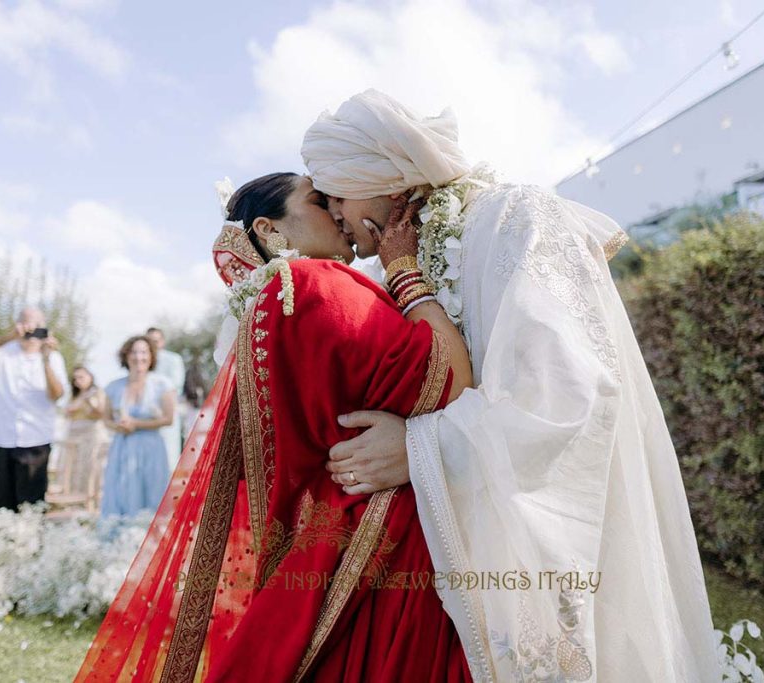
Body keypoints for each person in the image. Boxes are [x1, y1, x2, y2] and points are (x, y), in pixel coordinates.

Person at [302, 90, 722, 681]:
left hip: (540, 546)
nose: (333, 213)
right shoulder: (395, 264)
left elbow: (565, 396)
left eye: (336, 194)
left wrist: (418, 448)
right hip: (433, 561)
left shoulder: (515, 218)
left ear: (388, 180)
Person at [76, 172, 474, 682]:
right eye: (317, 200)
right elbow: (447, 382)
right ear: (269, 230)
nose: (336, 209)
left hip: (330, 546)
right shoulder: (312, 287)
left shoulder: (268, 310)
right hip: (380, 540)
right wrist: (404, 272)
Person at [0, 307, 68, 512]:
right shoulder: (3, 351)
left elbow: (57, 394)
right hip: (1, 437)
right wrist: (7, 337)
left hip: (36, 438)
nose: (31, 329)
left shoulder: (53, 358)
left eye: (36, 325)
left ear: (44, 328)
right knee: (2, 504)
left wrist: (45, 359)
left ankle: (30, 542)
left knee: (32, 505)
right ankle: (4, 541)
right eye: (26, 322)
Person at [100, 337, 174, 518]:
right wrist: (119, 426)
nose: (138, 357)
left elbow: (168, 419)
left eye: (143, 352)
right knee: (122, 490)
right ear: (126, 356)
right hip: (123, 446)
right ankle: (123, 534)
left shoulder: (162, 384)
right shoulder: (113, 386)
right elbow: (106, 420)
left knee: (152, 489)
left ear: (151, 356)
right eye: (134, 352)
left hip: (151, 447)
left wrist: (136, 424)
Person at [63, 366, 108, 503]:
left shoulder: (97, 393)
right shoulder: (74, 395)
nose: (78, 381)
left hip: (91, 434)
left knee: (91, 467)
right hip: (74, 435)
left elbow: (101, 413)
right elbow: (67, 412)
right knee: (74, 469)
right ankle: (75, 500)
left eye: (81, 377)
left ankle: (92, 499)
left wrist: (89, 403)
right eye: (75, 378)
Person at [145, 327, 185, 471]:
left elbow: (176, 385)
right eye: (149, 341)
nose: (153, 345)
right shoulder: (142, 361)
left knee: (169, 457)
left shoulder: (173, 359)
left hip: (166, 412)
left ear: (162, 342)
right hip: (145, 416)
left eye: (155, 341)